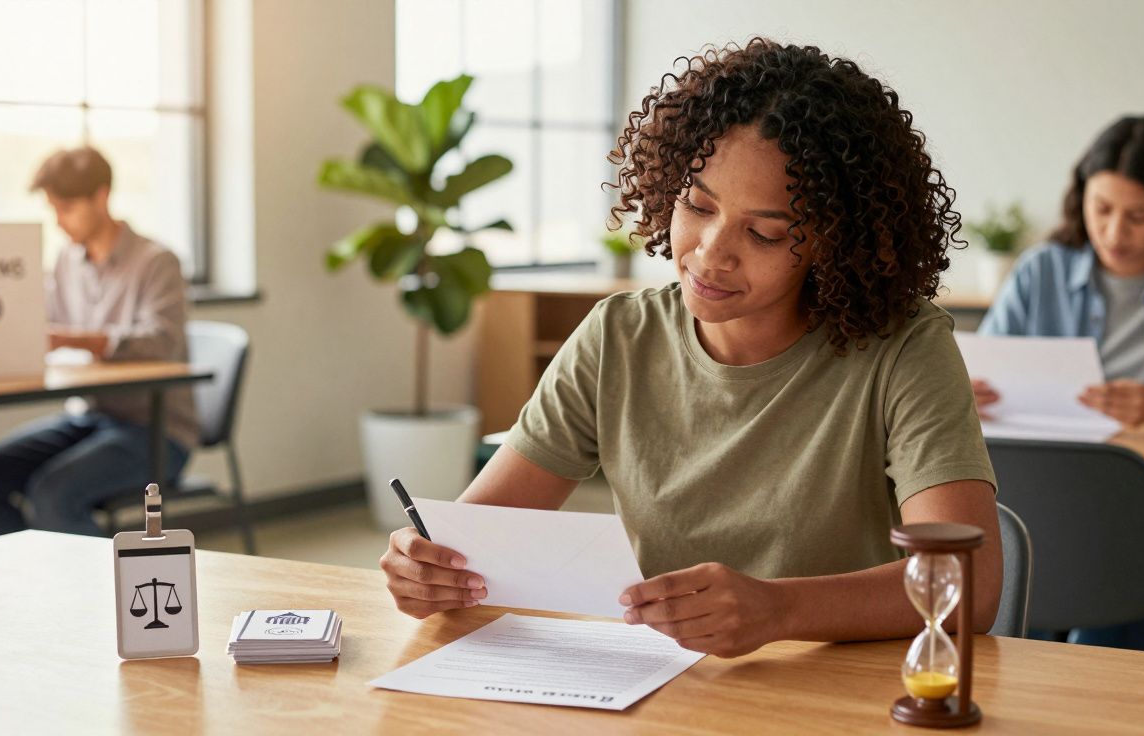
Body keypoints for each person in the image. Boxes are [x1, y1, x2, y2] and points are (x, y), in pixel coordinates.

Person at [379, 38, 1002, 658]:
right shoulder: (619, 337)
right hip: (663, 687)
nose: (710, 252)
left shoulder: (903, 350)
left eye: (764, 233)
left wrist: (780, 609)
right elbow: (476, 540)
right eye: (696, 205)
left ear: (833, 245)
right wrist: (427, 569)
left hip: (842, 692)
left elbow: (967, 587)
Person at [976, 116, 1144, 652]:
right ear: (1080, 198)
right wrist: (965, 392)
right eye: (1103, 209)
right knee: (1024, 554)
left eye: (1140, 216)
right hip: (1041, 498)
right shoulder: (1039, 271)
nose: (1116, 232)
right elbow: (987, 368)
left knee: (1109, 583)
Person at [0, 146, 197, 537]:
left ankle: (91, 596)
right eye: (53, 209)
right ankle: (27, 584)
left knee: (52, 494)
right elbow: (38, 321)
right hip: (89, 416)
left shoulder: (156, 262)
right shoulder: (67, 261)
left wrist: (75, 340)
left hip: (155, 430)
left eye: (66, 208)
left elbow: (162, 342)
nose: (59, 221)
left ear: (101, 196)